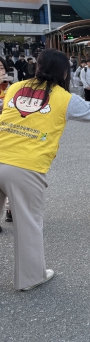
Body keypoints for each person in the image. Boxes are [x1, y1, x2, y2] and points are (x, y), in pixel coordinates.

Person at [0, 49, 90, 290]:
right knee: (28, 225)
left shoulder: (15, 88)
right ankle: (30, 277)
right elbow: (89, 109)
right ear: (64, 71)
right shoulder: (63, 97)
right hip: (26, 166)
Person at [0, 56, 13, 226]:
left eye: (2, 67)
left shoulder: (12, 88)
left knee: (11, 171)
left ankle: (11, 207)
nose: (1, 71)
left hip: (10, 135)